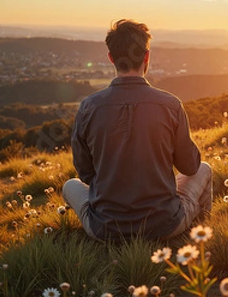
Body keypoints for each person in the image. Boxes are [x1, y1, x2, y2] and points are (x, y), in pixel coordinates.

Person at [63, 19, 212, 241]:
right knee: (204, 168)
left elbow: (85, 173)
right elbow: (190, 167)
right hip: (165, 225)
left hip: (105, 229)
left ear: (111, 58)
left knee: (69, 185)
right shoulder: (170, 105)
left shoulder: (89, 107)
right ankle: (201, 232)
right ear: (146, 56)